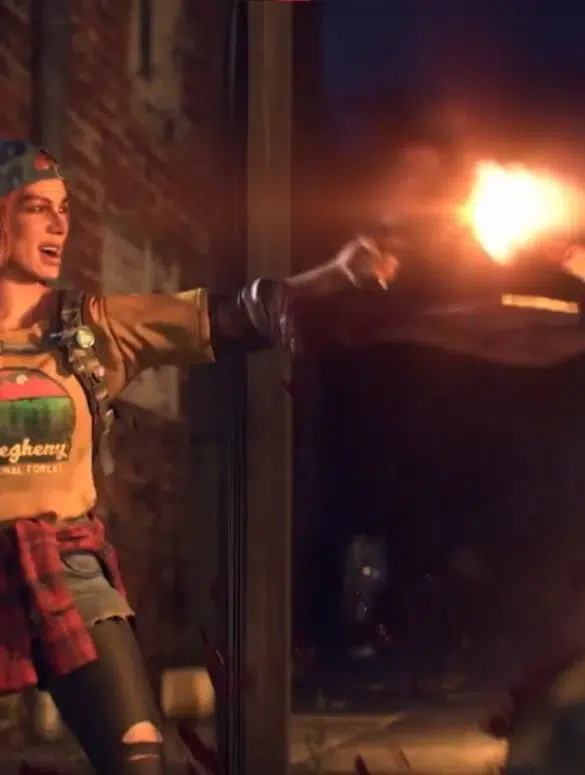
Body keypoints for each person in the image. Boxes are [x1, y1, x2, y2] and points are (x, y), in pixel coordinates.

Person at [0, 140, 399, 775]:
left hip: (64, 565)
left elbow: (232, 315)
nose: (58, 225)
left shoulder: (92, 328)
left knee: (139, 755)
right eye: (35, 207)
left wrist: (334, 273)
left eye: (64, 209)